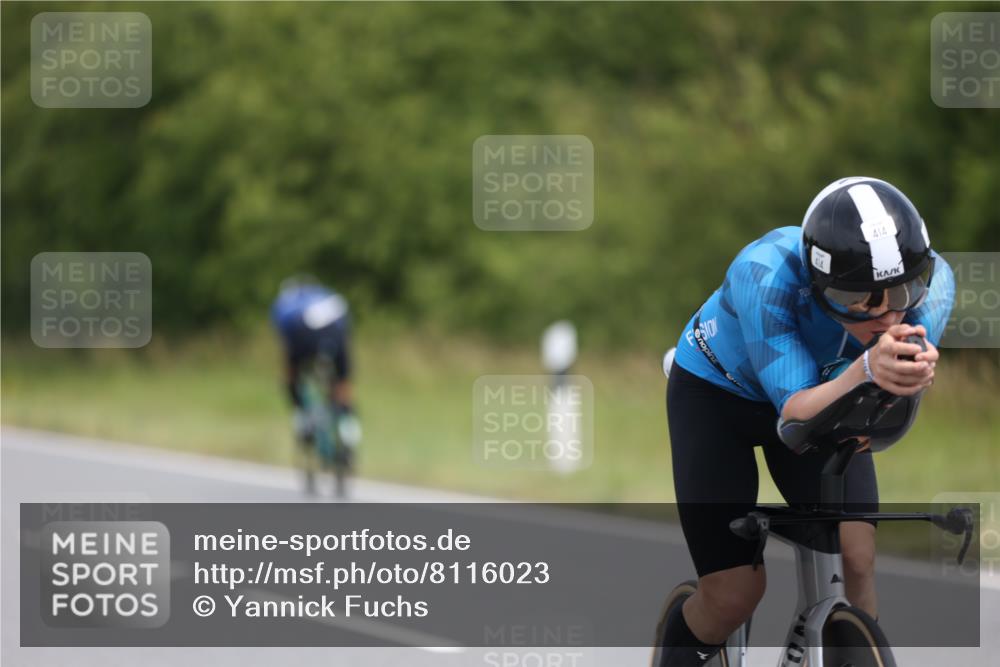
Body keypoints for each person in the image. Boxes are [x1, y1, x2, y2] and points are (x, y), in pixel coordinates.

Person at [658, 177, 955, 665]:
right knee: (733, 596)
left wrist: (896, 380)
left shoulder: (934, 282)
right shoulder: (763, 273)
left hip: (825, 391)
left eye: (900, 291)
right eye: (858, 299)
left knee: (856, 557)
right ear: (818, 284)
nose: (885, 316)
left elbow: (883, 408)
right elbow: (795, 413)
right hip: (718, 398)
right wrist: (866, 369)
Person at [270, 276, 360, 461]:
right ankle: (348, 433)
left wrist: (289, 379)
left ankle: (303, 420)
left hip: (303, 336)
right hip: (337, 335)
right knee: (342, 384)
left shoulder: (285, 302)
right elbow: (346, 324)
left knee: (292, 377)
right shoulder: (326, 294)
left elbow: (285, 341)